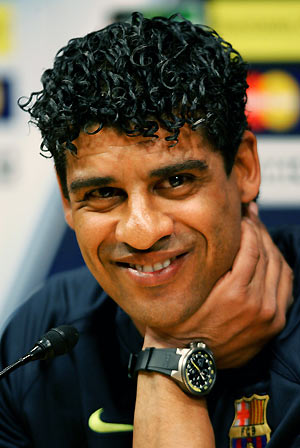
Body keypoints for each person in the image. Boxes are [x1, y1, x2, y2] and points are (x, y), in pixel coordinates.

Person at [0, 12, 297, 447]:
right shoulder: (42, 339)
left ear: (245, 169)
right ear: (67, 200)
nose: (141, 232)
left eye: (175, 181)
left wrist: (169, 362)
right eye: (103, 193)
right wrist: (172, 355)